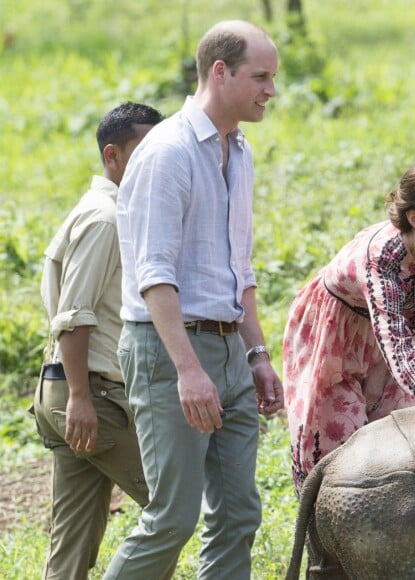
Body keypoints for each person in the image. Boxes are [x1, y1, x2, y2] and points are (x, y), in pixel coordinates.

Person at [103, 20, 284, 580]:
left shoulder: (240, 151)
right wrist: (188, 370)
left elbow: (240, 267)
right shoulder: (168, 153)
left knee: (238, 513)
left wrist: (256, 355)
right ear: (220, 72)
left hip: (229, 351)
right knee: (172, 518)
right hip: (170, 349)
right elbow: (154, 277)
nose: (270, 91)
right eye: (261, 77)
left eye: (273, 78)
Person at [283, 160, 415, 494]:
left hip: (382, 338)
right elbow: (398, 346)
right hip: (332, 336)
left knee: (392, 443)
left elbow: (408, 328)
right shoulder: (384, 255)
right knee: (337, 458)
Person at [32, 101, 164, 580]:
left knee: (72, 544)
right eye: (144, 153)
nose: (156, 165)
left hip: (70, 389)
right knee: (174, 509)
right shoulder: (106, 219)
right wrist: (83, 399)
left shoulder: (105, 211)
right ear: (113, 155)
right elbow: (73, 315)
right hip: (90, 395)